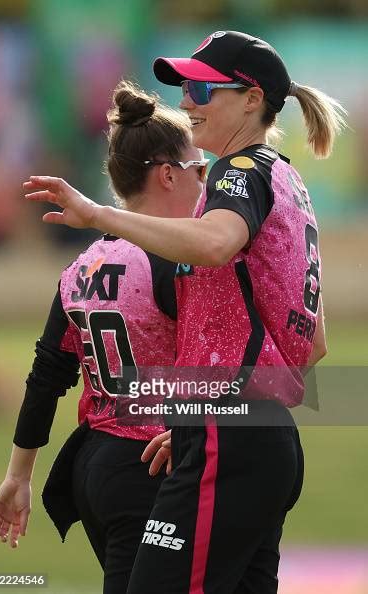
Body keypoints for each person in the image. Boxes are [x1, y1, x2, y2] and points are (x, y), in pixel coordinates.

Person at [21, 31, 346, 594]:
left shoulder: (237, 172)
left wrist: (99, 214)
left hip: (231, 433)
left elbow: (216, 242)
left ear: (251, 99)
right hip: (254, 435)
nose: (187, 104)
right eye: (184, 89)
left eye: (201, 89)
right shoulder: (285, 177)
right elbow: (312, 344)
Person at [0, 80, 207, 594]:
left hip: (94, 466)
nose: (207, 185)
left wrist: (19, 474)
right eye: (200, 171)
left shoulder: (81, 267)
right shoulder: (181, 263)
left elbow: (47, 375)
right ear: (169, 176)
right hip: (151, 463)